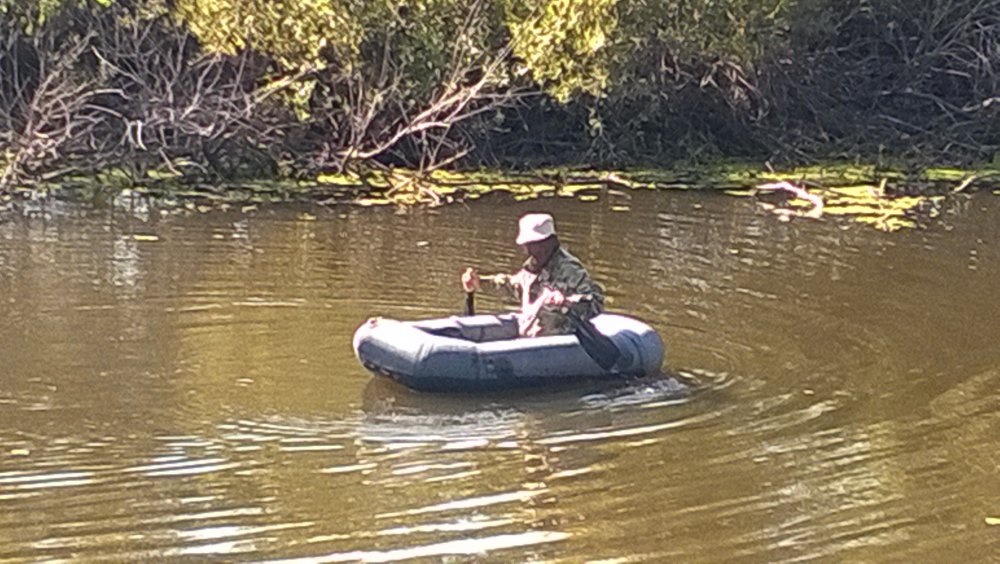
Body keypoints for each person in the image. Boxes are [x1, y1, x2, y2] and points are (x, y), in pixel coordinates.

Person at [462, 213, 605, 337]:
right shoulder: (532, 267)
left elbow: (596, 303)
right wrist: (479, 282)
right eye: (528, 245)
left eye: (535, 244)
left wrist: (566, 301)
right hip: (530, 338)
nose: (530, 250)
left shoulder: (570, 269)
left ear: (551, 242)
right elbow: (513, 286)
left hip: (558, 342)